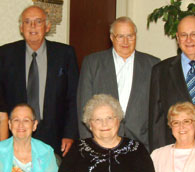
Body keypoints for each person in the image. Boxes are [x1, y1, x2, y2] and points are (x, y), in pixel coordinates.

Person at [0, 5, 79, 156]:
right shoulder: (5, 54)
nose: (33, 26)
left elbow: (73, 97)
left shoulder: (65, 54)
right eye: (27, 22)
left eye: (38, 21)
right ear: (21, 28)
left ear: (48, 26)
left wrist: (70, 134)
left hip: (55, 135)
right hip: (17, 133)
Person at [77, 16, 160, 150]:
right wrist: (88, 145)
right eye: (120, 36)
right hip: (102, 142)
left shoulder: (153, 64)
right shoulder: (92, 63)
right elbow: (83, 107)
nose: (125, 41)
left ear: (136, 36)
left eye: (130, 36)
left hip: (142, 144)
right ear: (111, 37)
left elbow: (158, 111)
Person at [59, 94, 155, 172]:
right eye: (98, 120)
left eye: (109, 118)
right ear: (90, 124)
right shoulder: (77, 150)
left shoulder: (137, 149)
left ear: (118, 120)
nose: (104, 124)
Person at [149, 15, 195, 152]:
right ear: (177, 38)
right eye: (184, 35)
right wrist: (159, 156)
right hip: (175, 152)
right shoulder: (160, 71)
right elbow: (156, 121)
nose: (189, 39)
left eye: (194, 34)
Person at [0, 104, 58, 171]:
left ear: (34, 125)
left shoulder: (46, 152)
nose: (20, 125)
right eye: (16, 120)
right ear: (10, 124)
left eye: (26, 120)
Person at [151, 102, 195, 172]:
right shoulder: (157, 155)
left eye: (186, 121)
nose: (181, 126)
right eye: (176, 122)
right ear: (171, 126)